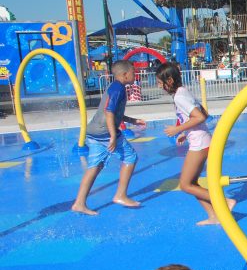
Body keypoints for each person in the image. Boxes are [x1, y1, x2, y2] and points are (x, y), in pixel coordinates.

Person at [157, 62, 235, 225]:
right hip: (202, 139)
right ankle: (213, 216)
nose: (159, 87)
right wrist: (186, 133)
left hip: (199, 143)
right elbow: (203, 112)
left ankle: (225, 202)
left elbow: (200, 117)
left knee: (185, 184)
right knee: (192, 183)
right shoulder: (183, 91)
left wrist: (177, 129)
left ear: (169, 80)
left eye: (160, 82)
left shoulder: (179, 97)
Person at [72, 59, 145, 215]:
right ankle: (120, 195)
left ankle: (79, 203)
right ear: (125, 75)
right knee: (130, 157)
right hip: (105, 132)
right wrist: (113, 135)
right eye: (133, 72)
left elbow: (114, 111)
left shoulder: (114, 87)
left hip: (93, 132)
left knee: (94, 166)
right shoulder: (118, 88)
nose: (135, 74)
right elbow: (109, 112)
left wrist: (133, 120)